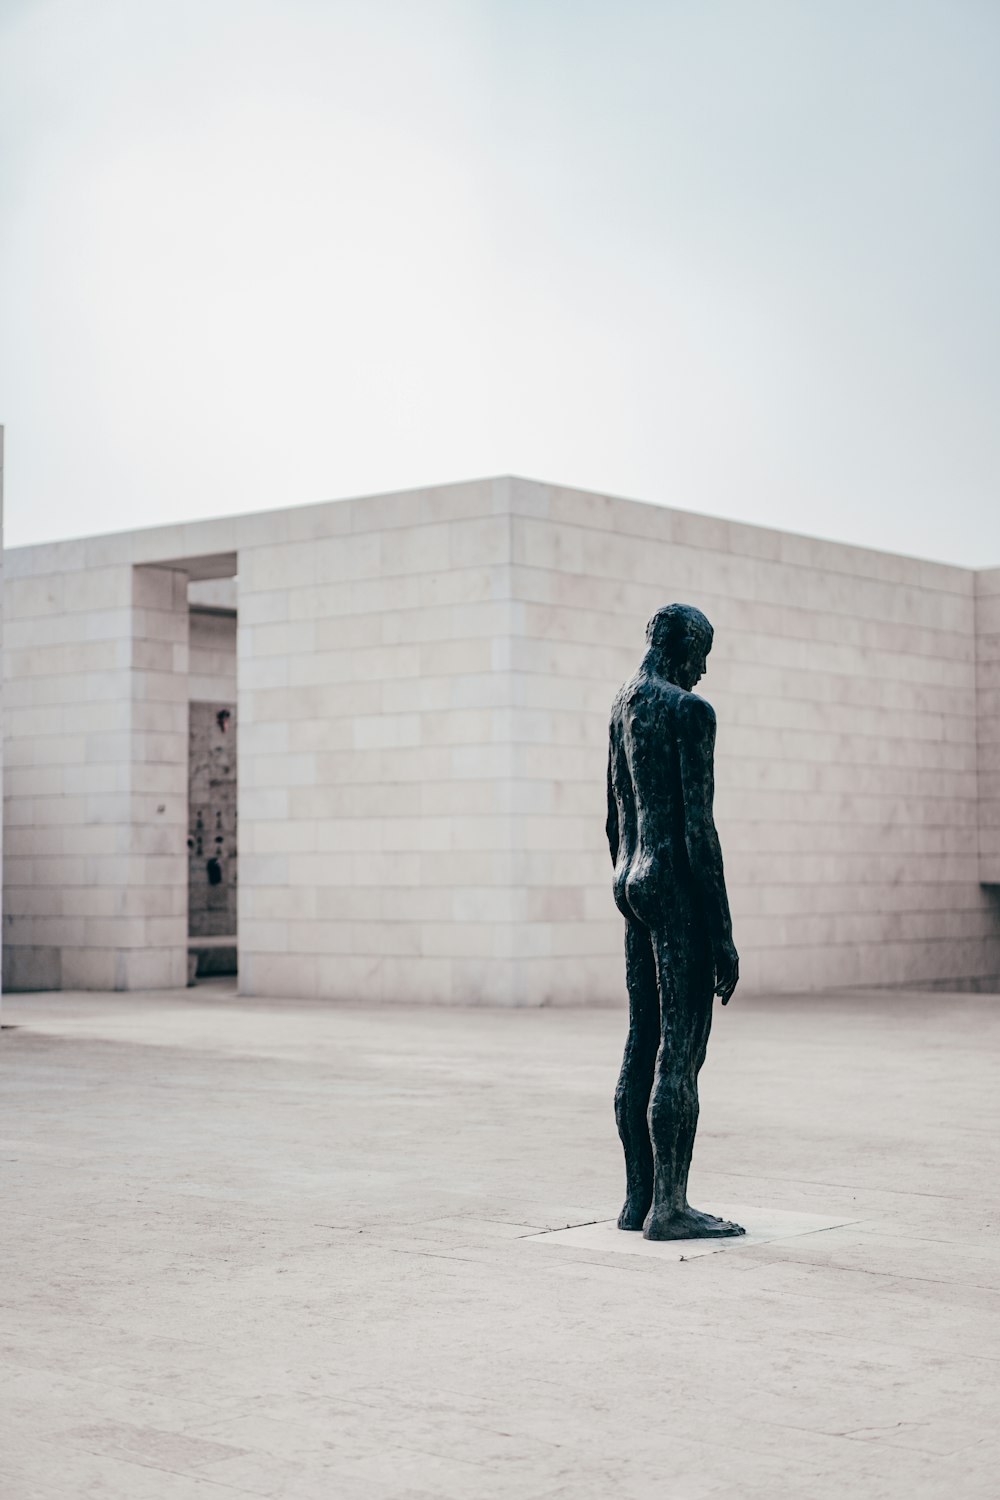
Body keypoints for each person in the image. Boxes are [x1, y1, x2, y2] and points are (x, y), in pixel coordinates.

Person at [606, 603, 743, 1240]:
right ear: (682, 644)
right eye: (703, 654)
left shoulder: (623, 704)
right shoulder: (688, 711)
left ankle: (637, 1201)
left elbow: (613, 818)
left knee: (641, 1041)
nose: (704, 669)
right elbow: (698, 829)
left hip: (632, 880)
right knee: (680, 1050)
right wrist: (722, 934)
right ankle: (670, 1206)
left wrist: (630, 884)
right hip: (675, 887)